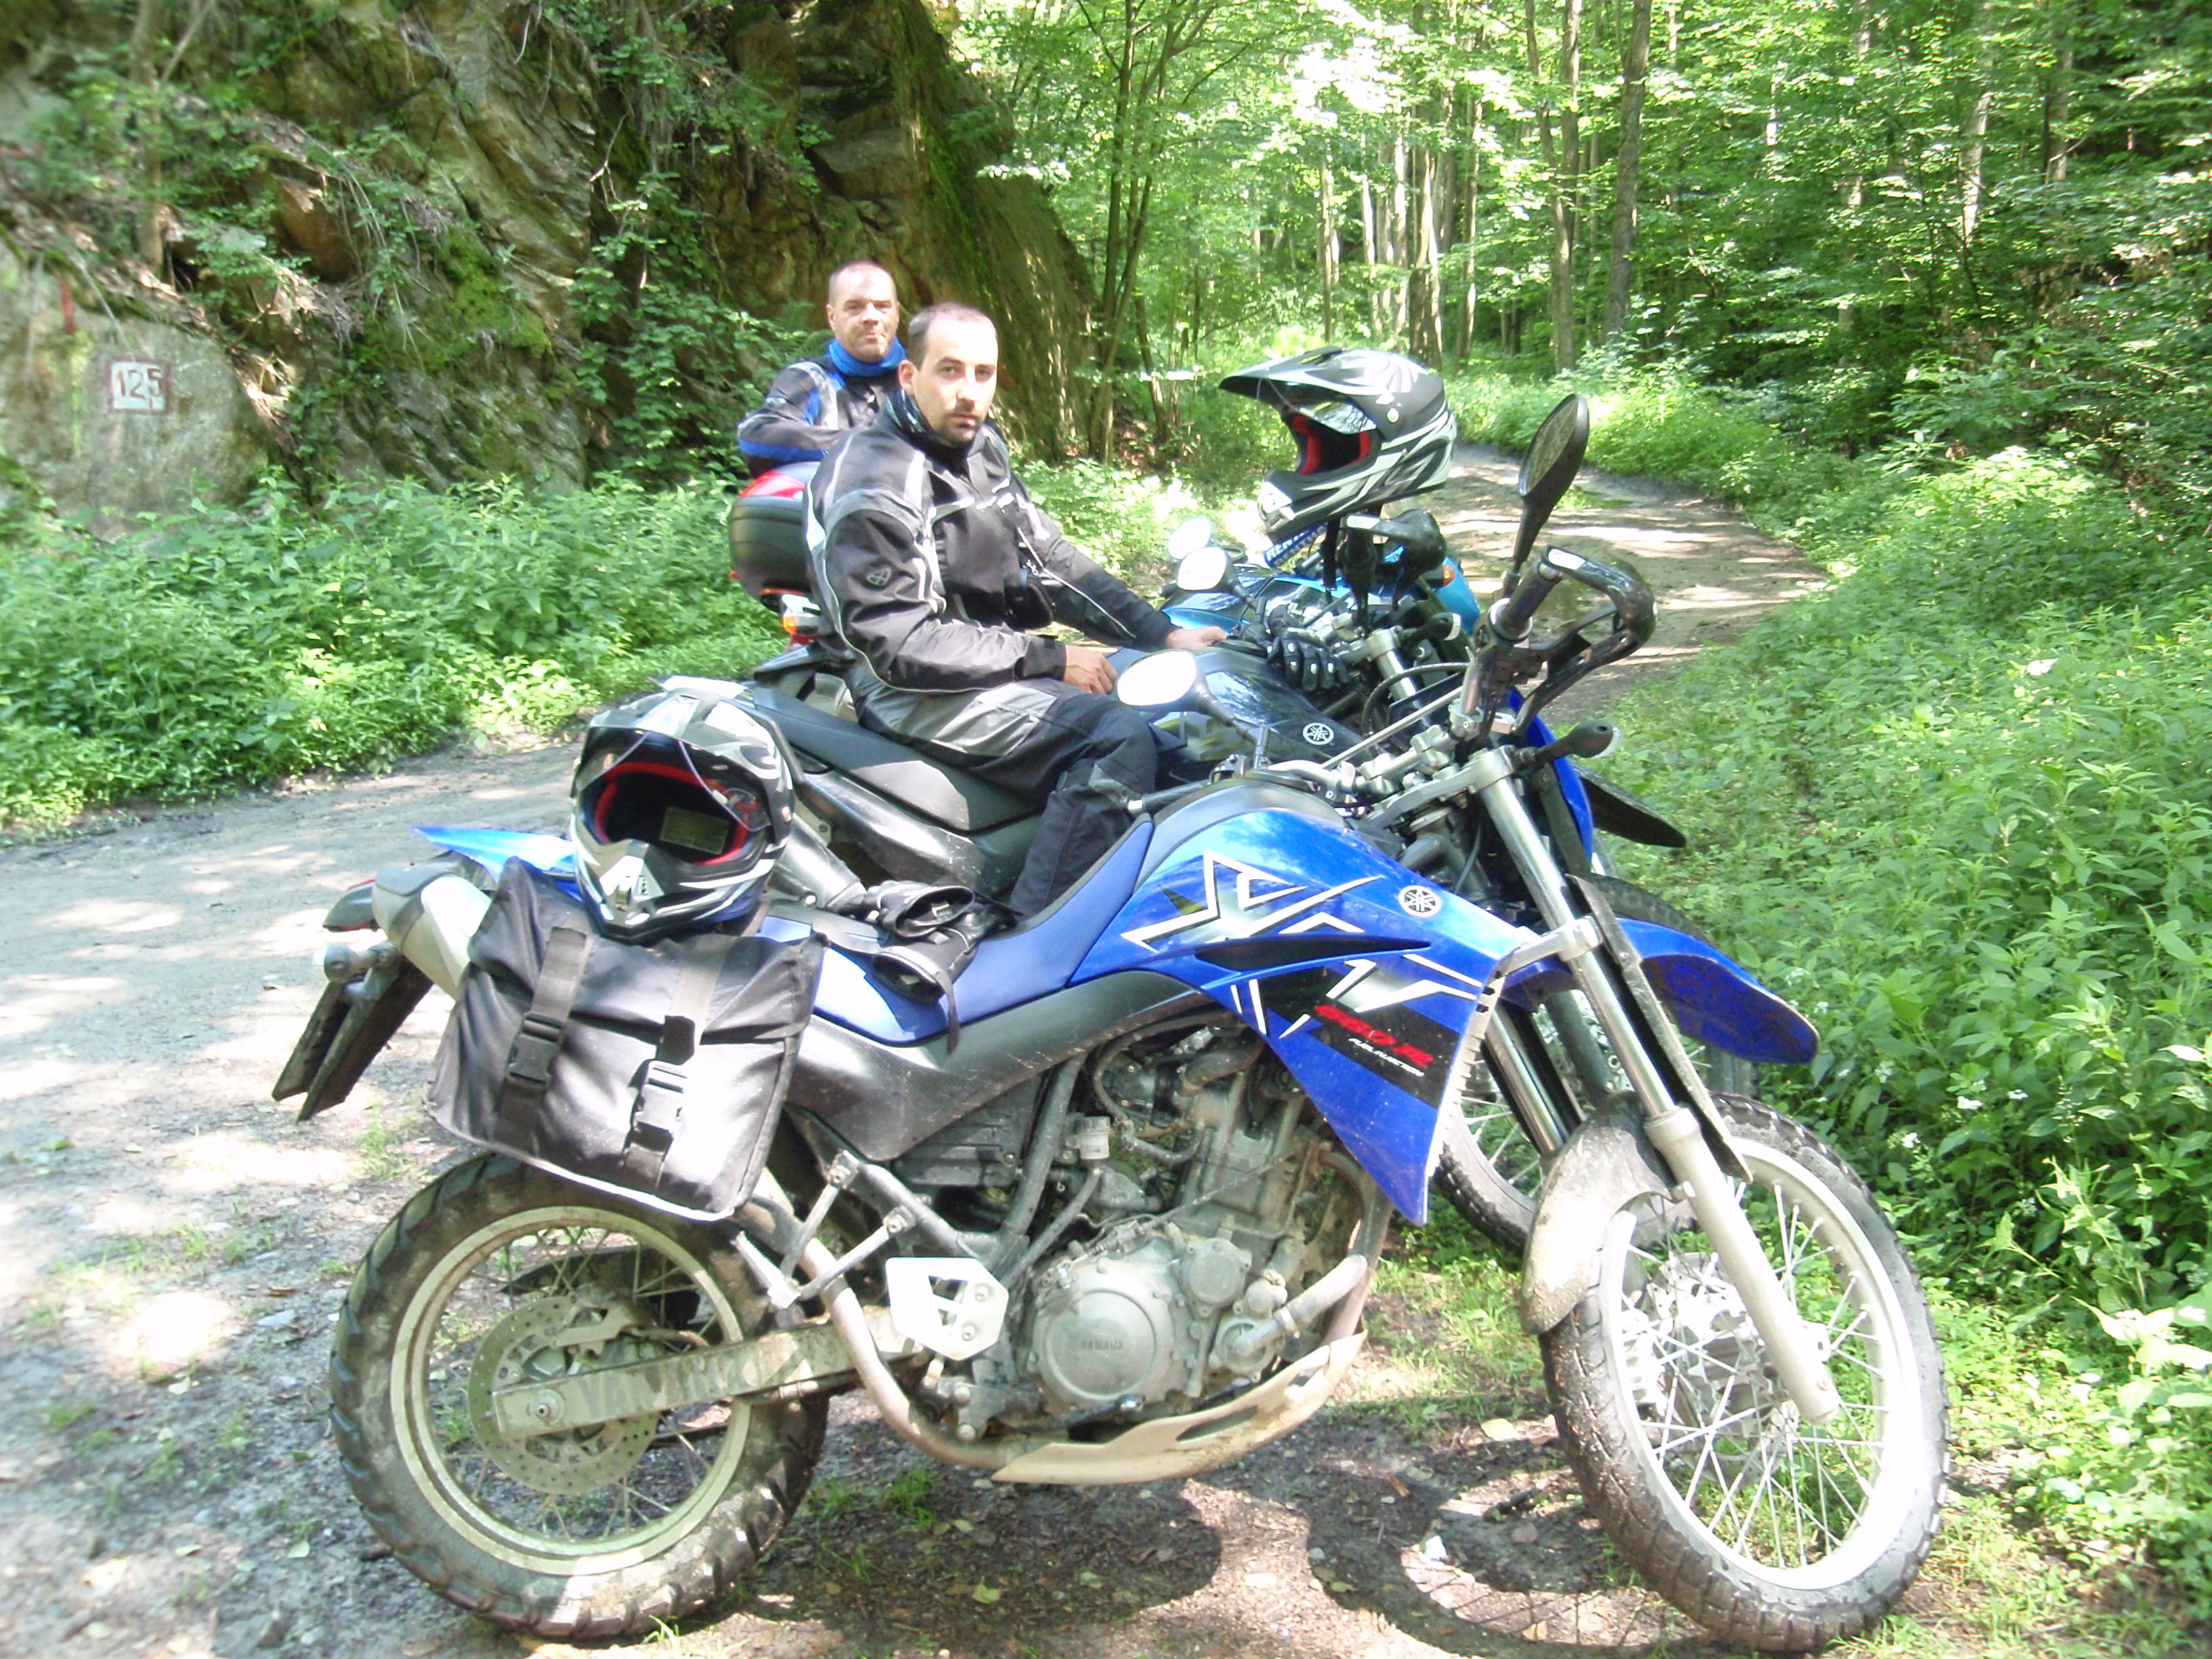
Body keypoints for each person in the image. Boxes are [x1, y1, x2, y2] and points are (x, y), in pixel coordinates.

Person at [806, 302, 1225, 917]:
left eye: (984, 373)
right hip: (908, 688)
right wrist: (1051, 658)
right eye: (950, 370)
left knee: (1179, 717)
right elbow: (901, 646)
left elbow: (1051, 559)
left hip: (982, 655)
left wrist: (1161, 634)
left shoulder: (977, 447)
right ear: (909, 376)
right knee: (1115, 740)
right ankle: (1036, 936)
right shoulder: (874, 480)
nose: (969, 391)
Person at [736, 260, 905, 472]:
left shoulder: (922, 379)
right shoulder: (810, 379)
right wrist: (862, 444)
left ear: (897, 314)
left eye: (882, 307)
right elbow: (756, 435)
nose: (871, 317)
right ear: (832, 318)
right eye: (854, 307)